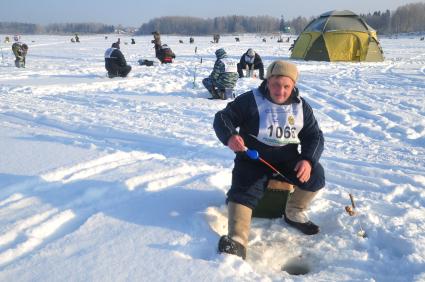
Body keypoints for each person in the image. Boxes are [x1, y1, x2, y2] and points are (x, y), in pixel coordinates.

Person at [213, 60, 325, 259]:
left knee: (316, 175)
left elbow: (314, 136)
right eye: (275, 84)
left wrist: (307, 160)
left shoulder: (301, 107)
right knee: (243, 190)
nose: (280, 91)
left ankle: (293, 211)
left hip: (287, 160)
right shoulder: (250, 100)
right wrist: (230, 136)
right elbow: (223, 117)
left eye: (286, 86)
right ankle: (237, 240)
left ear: (293, 86)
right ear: (267, 81)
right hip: (252, 159)